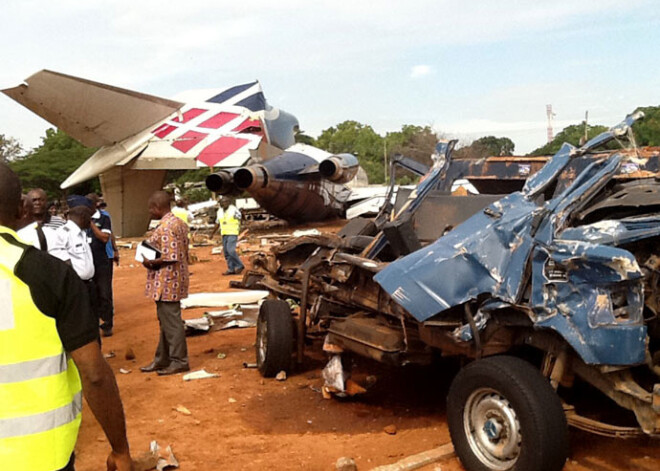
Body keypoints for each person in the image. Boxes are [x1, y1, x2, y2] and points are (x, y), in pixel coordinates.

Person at [0, 163, 134, 470]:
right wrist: (120, 450)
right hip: (41, 454)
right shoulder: (48, 274)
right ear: (22, 209)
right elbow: (94, 374)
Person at [140, 191, 191, 376]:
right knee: (166, 321)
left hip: (168, 281)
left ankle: (179, 360)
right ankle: (163, 359)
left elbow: (171, 255)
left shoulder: (166, 226)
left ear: (157, 207)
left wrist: (149, 262)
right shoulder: (178, 222)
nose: (149, 212)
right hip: (173, 280)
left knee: (172, 322)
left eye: (150, 208)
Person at [86, 193, 115, 337]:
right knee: (91, 294)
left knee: (105, 293)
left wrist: (90, 224)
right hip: (87, 263)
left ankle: (108, 323)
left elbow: (105, 237)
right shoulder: (79, 221)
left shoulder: (104, 218)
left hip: (102, 261)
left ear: (96, 204)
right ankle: (93, 323)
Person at [50, 196, 96, 284]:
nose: (91, 221)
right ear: (83, 216)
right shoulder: (62, 234)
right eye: (90, 217)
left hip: (88, 284)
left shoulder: (82, 233)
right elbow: (61, 262)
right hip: (75, 284)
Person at [211, 197, 244, 275]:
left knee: (231, 250)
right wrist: (212, 234)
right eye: (221, 203)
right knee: (226, 252)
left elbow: (240, 218)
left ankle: (240, 265)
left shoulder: (234, 210)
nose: (223, 204)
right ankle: (231, 269)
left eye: (224, 202)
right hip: (224, 233)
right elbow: (217, 223)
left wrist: (239, 227)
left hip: (232, 232)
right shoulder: (219, 211)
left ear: (229, 202)